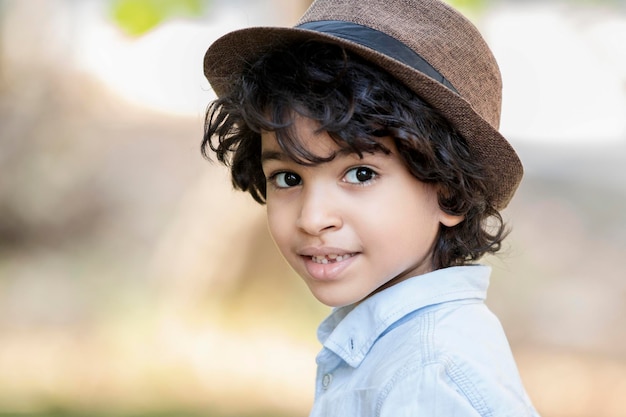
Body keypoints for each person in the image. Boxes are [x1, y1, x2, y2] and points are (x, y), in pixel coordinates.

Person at [201, 0, 540, 415]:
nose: (312, 219)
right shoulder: (393, 347)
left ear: (451, 192)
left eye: (360, 174)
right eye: (289, 178)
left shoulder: (430, 379)